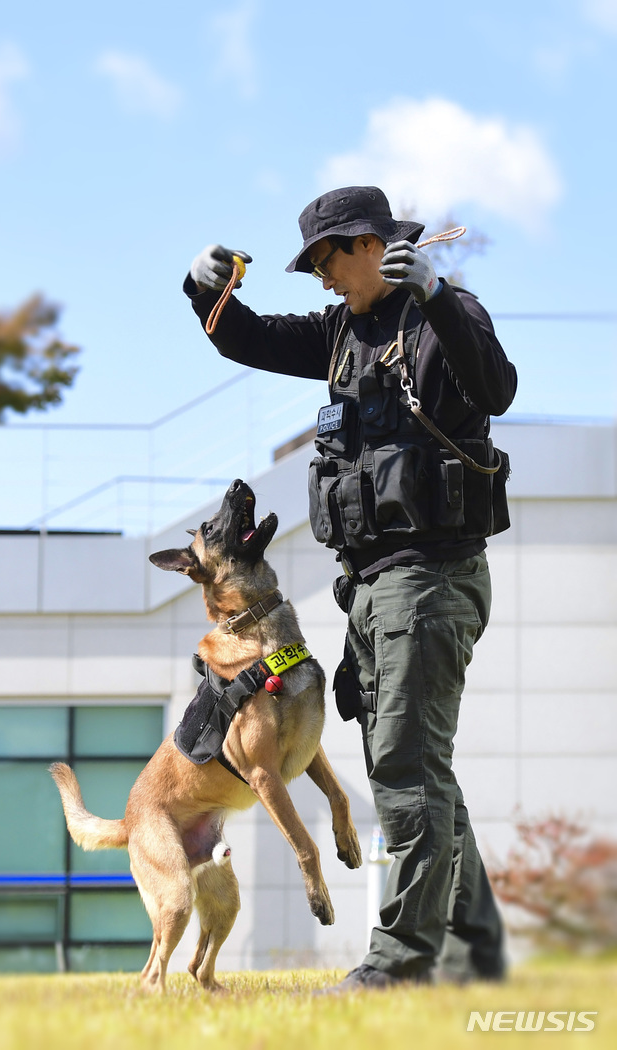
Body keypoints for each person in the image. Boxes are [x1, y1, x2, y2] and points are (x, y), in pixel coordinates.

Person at [183, 186, 517, 991]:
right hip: (367, 588)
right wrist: (205, 289)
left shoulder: (442, 316)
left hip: (430, 576)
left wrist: (434, 294)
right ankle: (476, 946)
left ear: (369, 244)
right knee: (411, 764)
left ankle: (401, 963)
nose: (321, 279)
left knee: (404, 769)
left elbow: (497, 387)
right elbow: (248, 338)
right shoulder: (340, 332)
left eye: (327, 260)